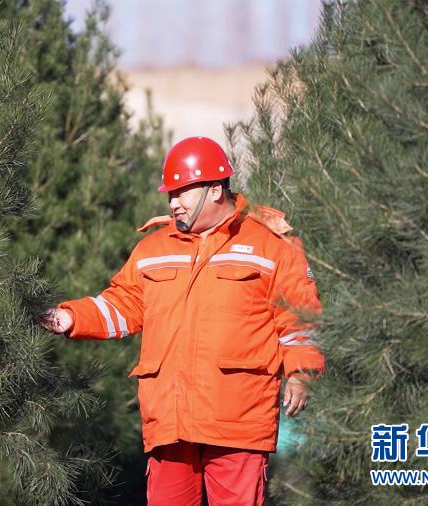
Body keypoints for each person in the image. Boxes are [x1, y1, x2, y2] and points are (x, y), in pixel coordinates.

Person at [37, 136, 325, 505]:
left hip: (238, 421)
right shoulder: (153, 249)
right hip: (169, 423)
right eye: (170, 194)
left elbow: (299, 316)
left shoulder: (272, 245)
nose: (173, 203)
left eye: (182, 192)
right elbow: (123, 305)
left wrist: (301, 372)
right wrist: (69, 317)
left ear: (216, 189)